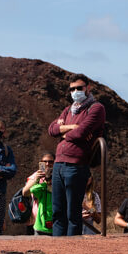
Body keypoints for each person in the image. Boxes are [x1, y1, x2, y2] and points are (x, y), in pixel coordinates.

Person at [48, 75, 106, 236]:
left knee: (73, 214)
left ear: (88, 88)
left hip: (76, 165)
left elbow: (81, 133)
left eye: (79, 88)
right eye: (72, 89)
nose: (75, 92)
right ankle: (59, 250)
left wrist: (64, 131)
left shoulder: (96, 108)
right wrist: (72, 126)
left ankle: (73, 253)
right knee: (58, 212)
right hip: (59, 164)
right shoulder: (68, 110)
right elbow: (51, 130)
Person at [20, 153, 55, 236]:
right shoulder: (36, 175)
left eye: (50, 162)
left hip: (53, 217)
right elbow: (25, 193)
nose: (47, 164)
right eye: (44, 161)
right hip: (37, 218)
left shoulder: (58, 175)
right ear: (41, 163)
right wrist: (36, 180)